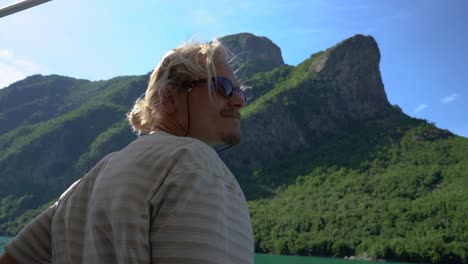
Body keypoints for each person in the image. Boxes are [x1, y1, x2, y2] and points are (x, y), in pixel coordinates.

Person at [0, 40, 253, 264]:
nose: (239, 100)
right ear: (170, 97)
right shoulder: (194, 163)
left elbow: (12, 258)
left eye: (240, 91)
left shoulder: (83, 187)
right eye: (222, 87)